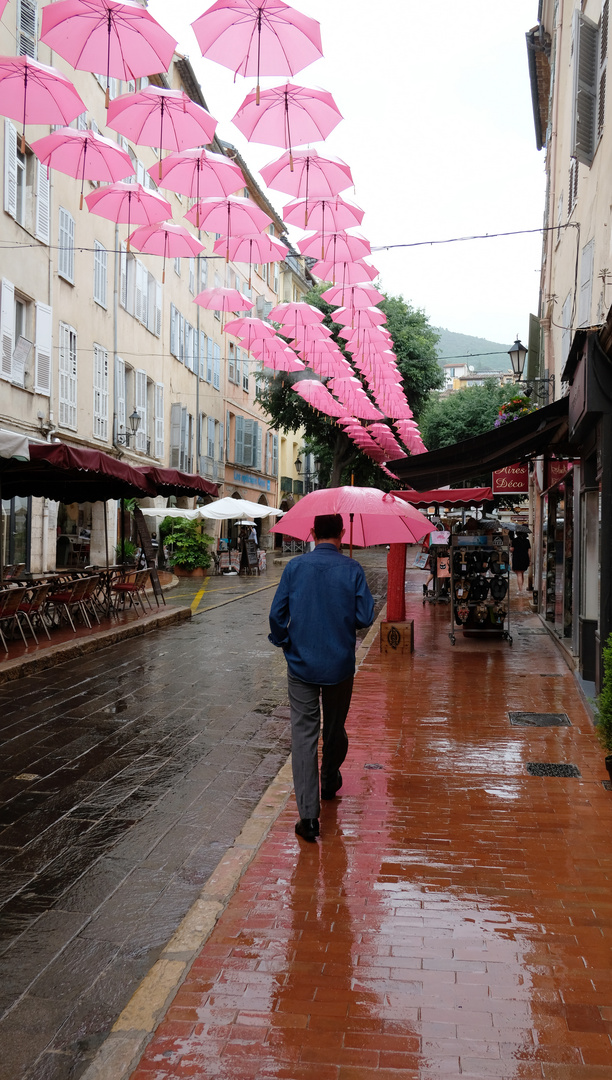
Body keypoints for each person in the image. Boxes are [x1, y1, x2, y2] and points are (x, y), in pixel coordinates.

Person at [268, 513, 375, 843]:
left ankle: (308, 817)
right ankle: (329, 779)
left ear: (312, 533)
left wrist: (285, 642)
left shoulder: (295, 568)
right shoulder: (353, 569)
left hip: (301, 665)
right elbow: (365, 617)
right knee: (334, 728)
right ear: (342, 534)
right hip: (340, 665)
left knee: (304, 735)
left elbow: (277, 615)